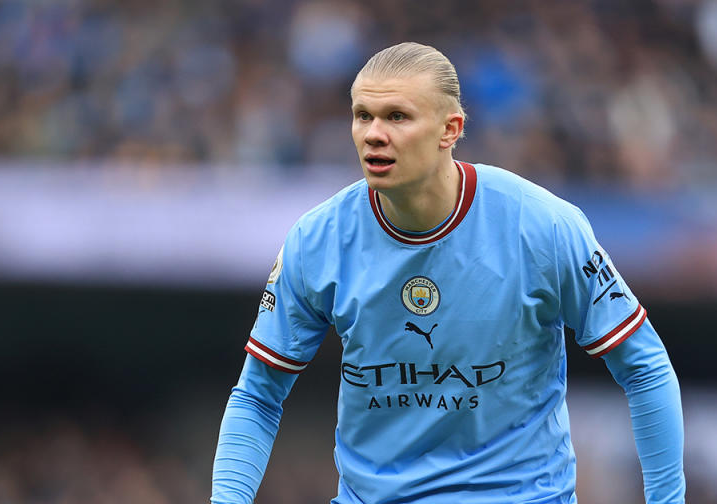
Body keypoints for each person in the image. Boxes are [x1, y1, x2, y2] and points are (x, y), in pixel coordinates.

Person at [211, 42, 685, 503]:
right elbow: (258, 394)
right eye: (362, 116)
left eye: (397, 116)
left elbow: (645, 367)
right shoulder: (317, 240)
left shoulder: (542, 226)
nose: (374, 133)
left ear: (450, 129)